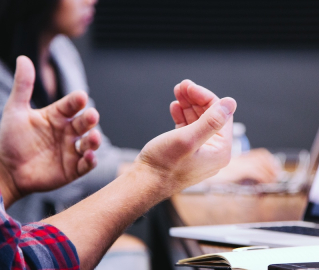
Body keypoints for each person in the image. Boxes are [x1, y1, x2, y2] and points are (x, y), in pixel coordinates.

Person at [0, 0, 280, 223]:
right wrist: (180, 172)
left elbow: (94, 158)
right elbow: (69, 178)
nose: (92, 1)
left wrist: (179, 167)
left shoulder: (62, 53)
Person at [0, 55, 237, 270]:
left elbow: (99, 154)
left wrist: (7, 177)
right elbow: (20, 263)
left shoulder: (62, 53)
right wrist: (155, 174)